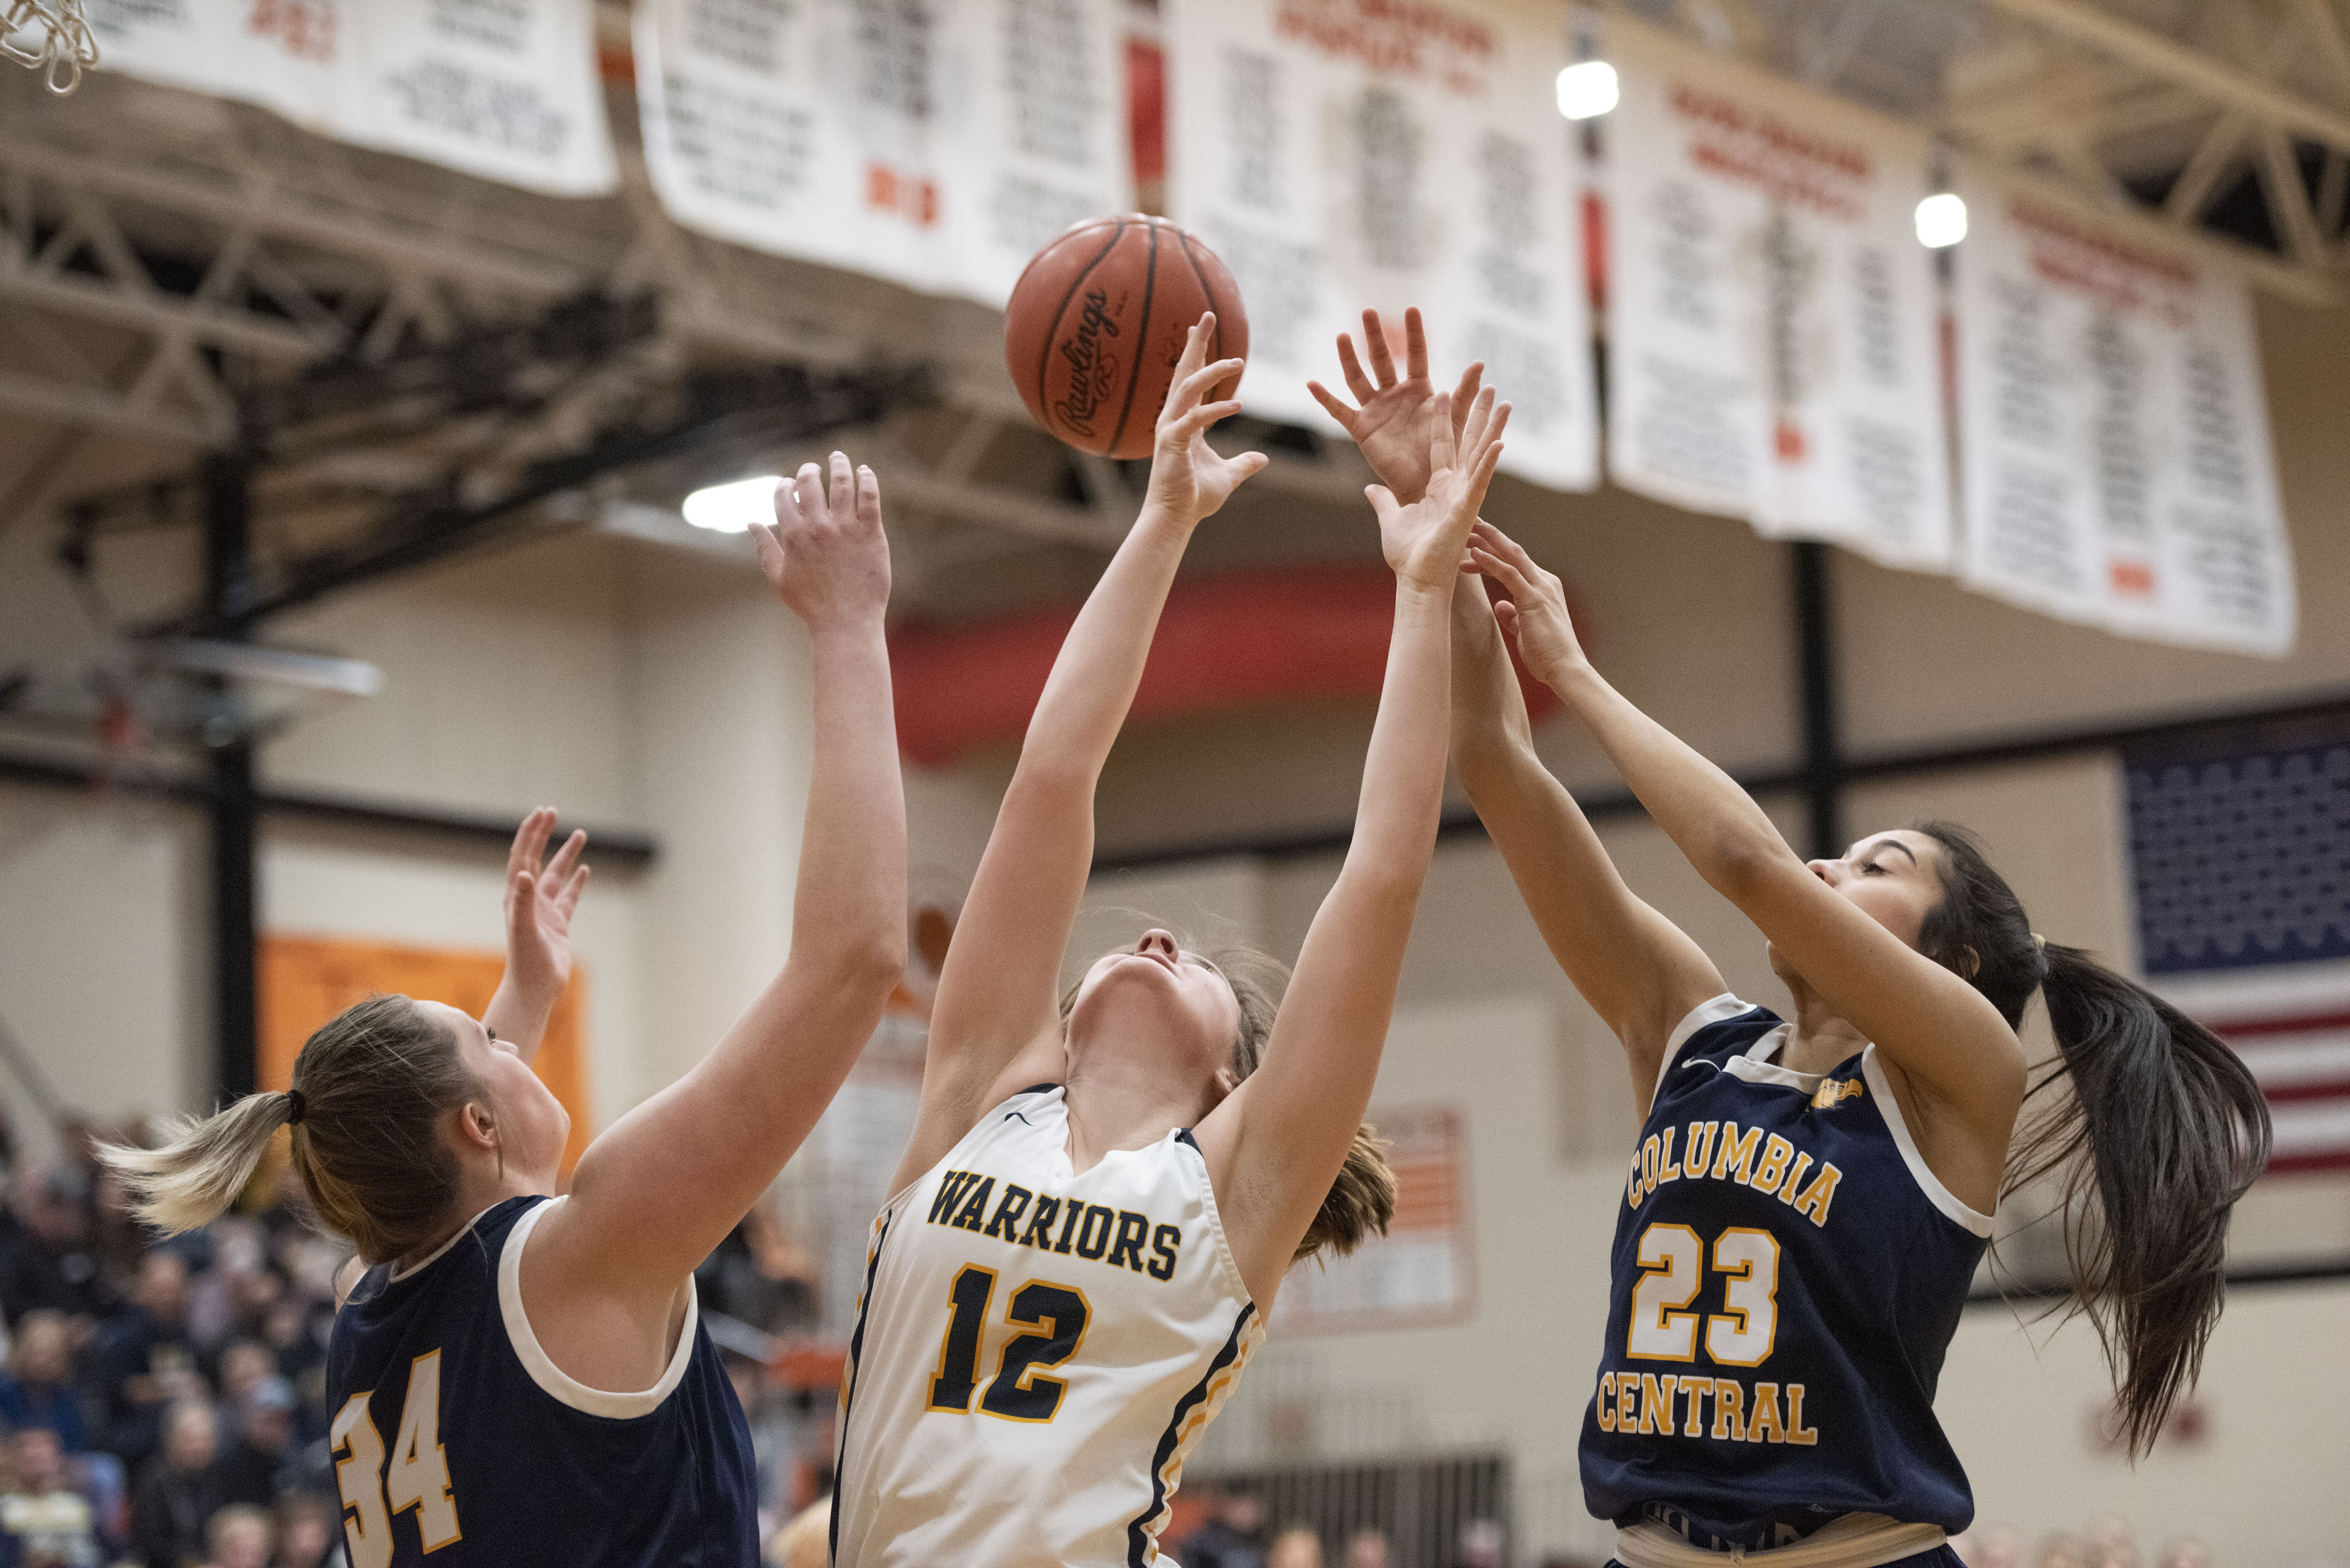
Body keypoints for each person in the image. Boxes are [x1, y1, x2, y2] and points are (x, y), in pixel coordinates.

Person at [97, 449, 909, 1566]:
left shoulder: (366, 1311)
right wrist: (849, 627)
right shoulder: (586, 1250)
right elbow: (853, 967)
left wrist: (518, 1004)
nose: (508, 1041)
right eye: (488, 1043)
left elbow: (449, 1180)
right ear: (475, 1122)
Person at [1432, 497, 2269, 1557]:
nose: (1828, 869)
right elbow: (1497, 764)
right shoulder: (1693, 1039)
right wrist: (1445, 548)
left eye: (1879, 869)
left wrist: (1580, 676)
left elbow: (1751, 867)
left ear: (1952, 964)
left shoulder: (1964, 1074)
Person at [828, 314, 1509, 1567]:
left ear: (1228, 1083)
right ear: (1061, 1027)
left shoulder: (1235, 1188)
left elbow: (1381, 875)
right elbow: (1051, 776)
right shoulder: (972, 1096)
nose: (1151, 935)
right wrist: (1160, 525)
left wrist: (1421, 588)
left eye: (1189, 961)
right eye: (1141, 943)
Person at [128, 1400, 224, 1568]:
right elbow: (151, 1542)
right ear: (171, 1440)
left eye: (205, 1440)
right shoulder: (152, 1480)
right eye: (191, 1440)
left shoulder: (220, 1475)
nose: (199, 1448)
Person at [0, 1426, 101, 1568]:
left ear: (59, 1457)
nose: (34, 1453)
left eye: (42, 1446)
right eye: (26, 1446)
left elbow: (105, 1553)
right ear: (13, 1457)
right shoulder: (5, 1506)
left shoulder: (79, 1505)